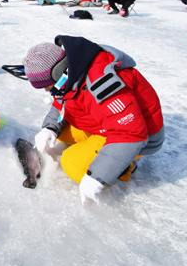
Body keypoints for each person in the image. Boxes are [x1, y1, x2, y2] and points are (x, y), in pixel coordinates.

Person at [23, 36, 164, 204]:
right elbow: (62, 99)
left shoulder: (103, 85)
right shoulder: (73, 71)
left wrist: (98, 177)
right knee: (61, 134)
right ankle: (93, 148)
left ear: (58, 72)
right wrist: (50, 128)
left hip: (139, 137)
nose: (46, 91)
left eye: (47, 86)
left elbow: (131, 135)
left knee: (72, 163)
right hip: (106, 122)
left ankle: (126, 166)